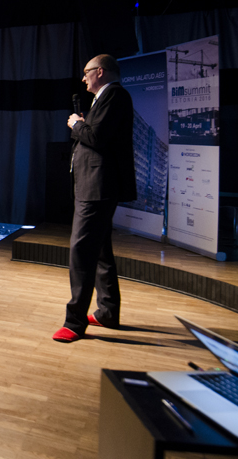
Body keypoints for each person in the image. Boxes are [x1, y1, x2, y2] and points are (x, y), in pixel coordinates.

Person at [52, 55, 137, 343]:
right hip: (94, 186)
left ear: (100, 72)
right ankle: (107, 312)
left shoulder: (114, 95)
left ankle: (74, 323)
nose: (83, 78)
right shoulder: (106, 98)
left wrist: (77, 124)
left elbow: (97, 138)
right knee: (100, 251)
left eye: (87, 72)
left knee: (81, 252)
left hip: (98, 187)